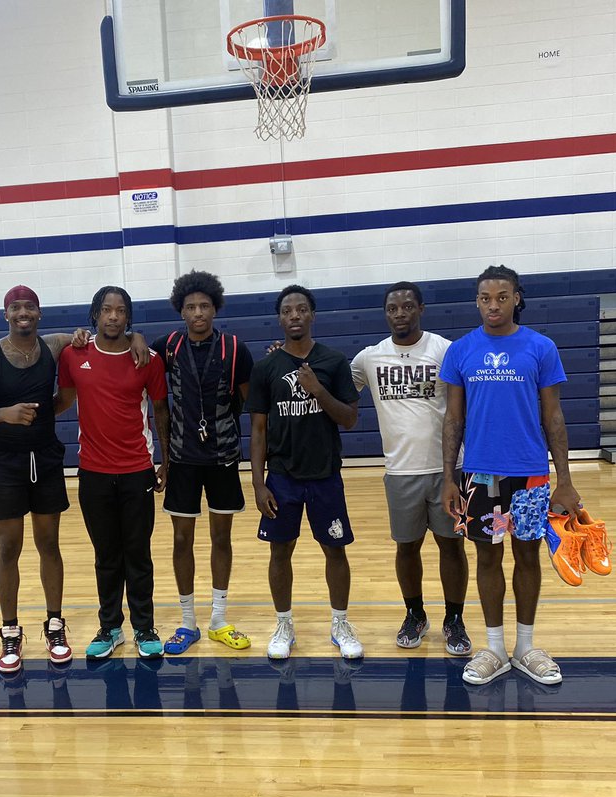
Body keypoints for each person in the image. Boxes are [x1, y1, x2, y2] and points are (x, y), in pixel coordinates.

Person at [0, 285, 148, 675]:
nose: (23, 313)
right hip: (5, 462)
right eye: (15, 308)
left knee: (49, 545)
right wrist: (3, 414)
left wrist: (138, 335)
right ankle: (10, 631)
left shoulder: (58, 345)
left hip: (44, 458)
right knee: (9, 547)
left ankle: (55, 626)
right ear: (5, 314)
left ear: (39, 314)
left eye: (30, 307)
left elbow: (105, 337)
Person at [440, 265, 582, 687]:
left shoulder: (540, 347)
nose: (493, 305)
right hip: (480, 474)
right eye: (485, 298)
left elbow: (553, 416)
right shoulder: (461, 350)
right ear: (477, 302)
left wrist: (566, 478)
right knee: (487, 556)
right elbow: (453, 418)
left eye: (502, 297)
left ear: (517, 298)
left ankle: (525, 647)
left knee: (527, 555)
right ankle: (494, 648)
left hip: (531, 475)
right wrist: (449, 476)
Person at [350, 281, 471, 656]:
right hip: (400, 470)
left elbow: (464, 406)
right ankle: (415, 613)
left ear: (420, 309)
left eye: (406, 306)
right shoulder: (368, 358)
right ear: (385, 313)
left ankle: (454, 618)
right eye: (392, 308)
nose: (400, 313)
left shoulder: (444, 350)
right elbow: (333, 389)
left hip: (448, 469)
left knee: (451, 546)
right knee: (407, 547)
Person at [246, 284, 363, 661]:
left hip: (325, 475)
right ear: (280, 318)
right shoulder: (266, 368)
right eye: (287, 310)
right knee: (280, 552)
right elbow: (259, 430)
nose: (294, 316)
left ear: (312, 315)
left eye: (301, 309)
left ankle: (340, 623)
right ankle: (284, 624)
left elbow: (349, 418)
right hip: (282, 478)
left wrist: (317, 390)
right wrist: (258, 483)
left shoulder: (333, 361)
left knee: (336, 550)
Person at [57, 286, 170, 660]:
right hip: (93, 472)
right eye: (106, 310)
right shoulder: (74, 355)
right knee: (106, 555)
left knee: (137, 554)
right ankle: (111, 627)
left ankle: (144, 626)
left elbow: (160, 410)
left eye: (121, 311)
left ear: (128, 317)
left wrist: (164, 460)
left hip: (137, 470)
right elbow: (65, 400)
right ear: (94, 315)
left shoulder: (147, 359)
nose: (113, 317)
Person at [151, 270, 254, 655]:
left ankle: (218, 620)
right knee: (182, 539)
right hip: (182, 459)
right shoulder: (167, 346)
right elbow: (138, 357)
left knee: (221, 537)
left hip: (223, 457)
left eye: (205, 305)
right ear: (181, 310)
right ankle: (188, 622)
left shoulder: (233, 348)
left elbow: (248, 399)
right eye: (191, 306)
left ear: (215, 307)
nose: (198, 312)